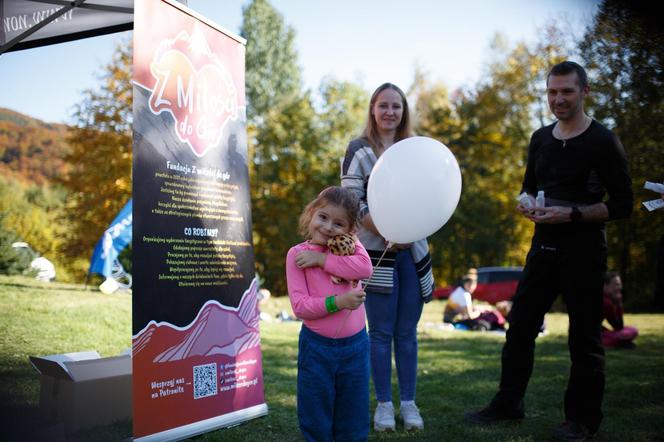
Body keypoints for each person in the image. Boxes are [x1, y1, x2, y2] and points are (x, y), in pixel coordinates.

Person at [465, 61, 633, 441]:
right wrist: (525, 203)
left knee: (584, 339)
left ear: (584, 92)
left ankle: (582, 420)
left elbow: (623, 204)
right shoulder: (540, 138)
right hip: (542, 247)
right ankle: (509, 404)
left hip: (585, 250)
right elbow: (527, 187)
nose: (558, 99)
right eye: (552, 92)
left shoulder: (603, 141)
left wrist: (572, 214)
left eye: (567, 92)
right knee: (520, 327)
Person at [341, 83, 434, 432]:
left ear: (403, 111)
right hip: (377, 254)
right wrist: (385, 230)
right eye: (383, 105)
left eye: (396, 106)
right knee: (380, 333)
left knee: (407, 332)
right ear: (372, 109)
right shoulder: (359, 150)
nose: (390, 112)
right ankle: (383, 406)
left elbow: (430, 197)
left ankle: (409, 404)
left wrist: (408, 231)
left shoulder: (416, 150)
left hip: (412, 253)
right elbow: (351, 201)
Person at [285, 186, 374, 441]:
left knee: (353, 410)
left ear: (350, 230)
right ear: (312, 213)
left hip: (355, 345)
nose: (328, 227)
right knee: (316, 408)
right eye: (323, 217)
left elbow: (365, 268)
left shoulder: (351, 249)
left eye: (339, 223)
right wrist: (339, 301)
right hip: (317, 347)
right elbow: (300, 307)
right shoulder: (297, 255)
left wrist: (322, 261)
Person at [602, 271, 638, 348]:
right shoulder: (605, 302)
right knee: (632, 331)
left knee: (629, 330)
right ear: (605, 285)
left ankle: (618, 342)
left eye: (620, 284)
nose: (620, 287)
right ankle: (619, 342)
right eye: (616, 284)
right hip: (587, 335)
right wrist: (619, 304)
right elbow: (618, 326)